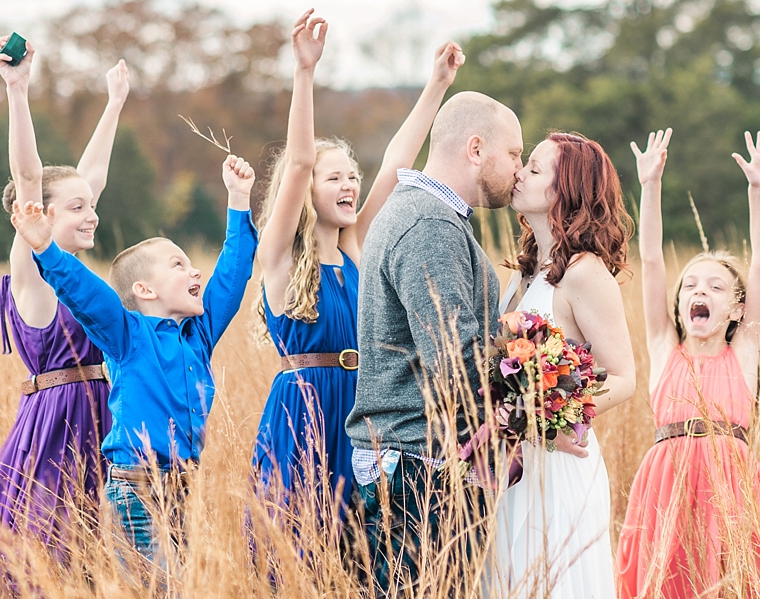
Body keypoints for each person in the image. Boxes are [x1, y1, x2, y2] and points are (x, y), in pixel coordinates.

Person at [250, 9, 465, 528]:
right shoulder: (278, 255)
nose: (349, 186)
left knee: (362, 552)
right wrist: (304, 72)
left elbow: (396, 166)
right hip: (303, 412)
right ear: (305, 194)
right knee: (302, 544)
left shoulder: (356, 248)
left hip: (365, 414)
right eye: (336, 179)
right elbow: (299, 162)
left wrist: (436, 85)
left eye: (352, 176)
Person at [9, 152, 258, 577]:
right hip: (136, 494)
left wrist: (238, 200)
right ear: (144, 289)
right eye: (178, 265)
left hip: (182, 491)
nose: (195, 270)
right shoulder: (127, 337)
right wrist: (46, 248)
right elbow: (88, 294)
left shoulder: (198, 334)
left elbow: (233, 274)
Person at [345, 90, 523, 596]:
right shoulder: (429, 224)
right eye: (513, 153)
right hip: (420, 471)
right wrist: (525, 394)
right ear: (475, 148)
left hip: (411, 462)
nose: (519, 167)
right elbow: (456, 360)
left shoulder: (426, 215)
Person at [616, 129, 760, 598]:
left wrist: (758, 191)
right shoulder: (664, 346)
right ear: (679, 304)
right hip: (665, 488)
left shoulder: (743, 351)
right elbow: (650, 260)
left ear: (735, 310)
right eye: (690, 285)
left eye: (714, 287)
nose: (699, 292)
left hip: (731, 490)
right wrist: (649, 186)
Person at [494, 132, 636, 597]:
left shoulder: (585, 273)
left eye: (534, 169)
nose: (518, 173)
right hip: (511, 464)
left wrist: (549, 418)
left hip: (559, 463)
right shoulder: (524, 271)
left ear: (565, 192)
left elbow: (624, 377)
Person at [0, 36, 127, 551]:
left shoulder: (72, 273)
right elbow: (30, 178)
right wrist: (18, 90)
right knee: (52, 555)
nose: (90, 213)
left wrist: (115, 103)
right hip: (57, 424)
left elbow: (88, 178)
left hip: (103, 414)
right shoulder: (32, 267)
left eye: (90, 206)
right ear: (41, 215)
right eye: (75, 208)